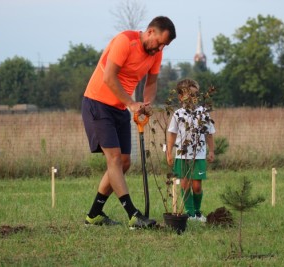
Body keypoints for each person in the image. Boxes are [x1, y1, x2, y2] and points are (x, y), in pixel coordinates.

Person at [82, 16, 176, 229]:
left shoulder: (156, 54)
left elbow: (151, 83)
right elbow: (109, 77)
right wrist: (132, 104)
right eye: (160, 42)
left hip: (119, 107)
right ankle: (133, 214)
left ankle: (94, 215)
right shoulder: (125, 41)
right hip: (97, 103)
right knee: (114, 159)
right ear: (150, 31)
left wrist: (145, 105)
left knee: (124, 162)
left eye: (165, 45)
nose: (160, 47)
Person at [166, 79, 215, 222]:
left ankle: (198, 211)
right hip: (182, 156)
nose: (193, 98)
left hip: (198, 155)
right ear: (181, 97)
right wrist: (169, 152)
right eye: (189, 95)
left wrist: (211, 151)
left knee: (197, 186)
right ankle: (190, 213)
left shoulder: (203, 113)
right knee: (184, 184)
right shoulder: (178, 114)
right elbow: (172, 133)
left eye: (196, 95)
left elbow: (209, 133)